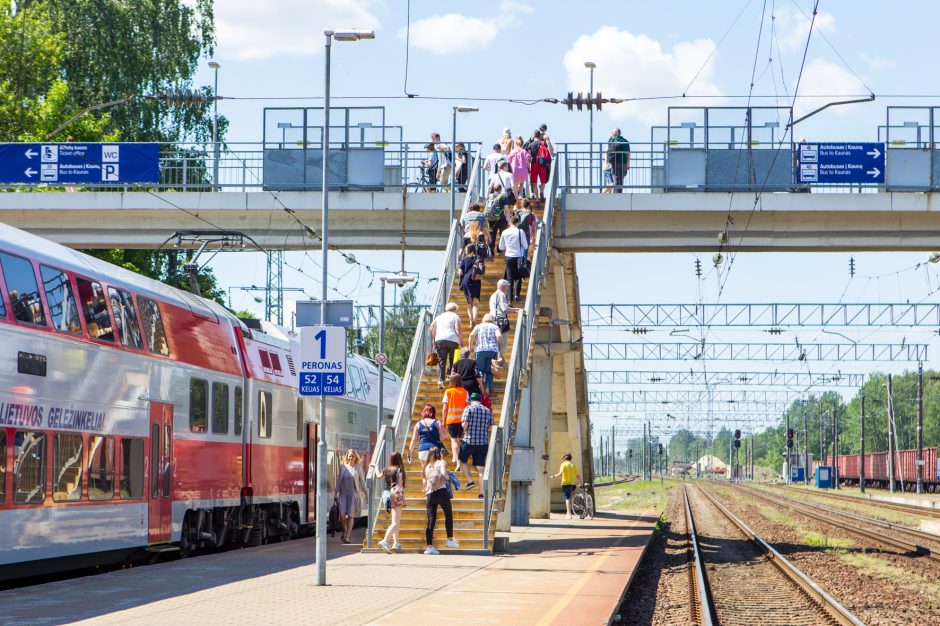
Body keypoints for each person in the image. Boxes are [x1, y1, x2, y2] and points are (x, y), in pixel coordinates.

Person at [423, 447, 459, 554]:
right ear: (439, 454)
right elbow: (443, 473)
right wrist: (449, 478)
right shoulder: (441, 462)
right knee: (448, 515)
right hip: (442, 492)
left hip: (430, 494)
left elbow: (426, 481)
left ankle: (429, 547)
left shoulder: (427, 466)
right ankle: (450, 540)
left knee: (431, 520)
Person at [459, 392, 493, 497]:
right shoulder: (488, 411)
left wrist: (462, 433)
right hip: (482, 443)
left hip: (468, 441)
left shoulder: (468, 409)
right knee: (481, 469)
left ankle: (470, 480)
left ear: (471, 400)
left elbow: (464, 424)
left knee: (462, 460)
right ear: (480, 400)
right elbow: (491, 427)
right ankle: (481, 492)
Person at [378, 451, 407, 553]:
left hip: (386, 495)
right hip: (395, 496)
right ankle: (385, 540)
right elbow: (399, 485)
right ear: (399, 459)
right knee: (395, 521)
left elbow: (378, 476)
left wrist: (375, 467)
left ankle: (396, 542)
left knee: (396, 521)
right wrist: (403, 497)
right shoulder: (399, 470)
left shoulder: (386, 469)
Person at [336, 450, 366, 544]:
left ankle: (348, 536)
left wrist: (366, 492)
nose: (351, 458)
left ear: (355, 457)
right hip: (343, 493)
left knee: (351, 515)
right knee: (342, 515)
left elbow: (362, 481)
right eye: (349, 456)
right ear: (347, 457)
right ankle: (344, 530)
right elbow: (338, 481)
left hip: (353, 494)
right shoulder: (342, 467)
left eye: (353, 456)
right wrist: (335, 493)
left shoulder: (358, 468)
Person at [469, 314, 503, 395]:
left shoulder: (478, 326)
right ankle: (489, 388)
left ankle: (480, 388)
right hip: (492, 350)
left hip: (480, 349)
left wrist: (470, 346)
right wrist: (499, 347)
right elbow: (499, 336)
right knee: (490, 370)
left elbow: (471, 335)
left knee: (480, 370)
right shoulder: (495, 326)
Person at [498, 214, 529, 304]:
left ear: (510, 222)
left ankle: (509, 299)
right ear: (518, 222)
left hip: (508, 257)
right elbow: (525, 246)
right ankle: (517, 295)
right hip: (518, 256)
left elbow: (501, 247)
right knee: (518, 277)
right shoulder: (520, 232)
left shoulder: (504, 232)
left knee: (510, 278)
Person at [430, 302, 461, 387]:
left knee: (441, 360)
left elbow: (431, 327)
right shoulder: (455, 316)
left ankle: (440, 380)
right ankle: (450, 377)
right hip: (453, 340)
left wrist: (434, 338)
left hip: (440, 339)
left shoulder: (439, 317)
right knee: (453, 360)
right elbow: (457, 329)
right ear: (455, 309)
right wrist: (461, 339)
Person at [442, 373, 469, 470]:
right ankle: (456, 457)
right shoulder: (465, 392)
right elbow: (467, 407)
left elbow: (445, 408)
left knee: (454, 441)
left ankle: (458, 462)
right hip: (462, 420)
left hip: (451, 419)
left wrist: (443, 421)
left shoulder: (448, 392)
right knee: (459, 440)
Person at [408, 404, 446, 470]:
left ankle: (425, 480)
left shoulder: (418, 424)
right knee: (435, 471)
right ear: (434, 413)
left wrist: (410, 451)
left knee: (425, 471)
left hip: (423, 450)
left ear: (424, 412)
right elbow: (443, 437)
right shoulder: (437, 422)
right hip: (435, 449)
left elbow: (414, 439)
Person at [552, 452, 581, 519]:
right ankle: (570, 511)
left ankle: (569, 514)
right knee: (569, 498)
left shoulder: (563, 464)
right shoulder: (572, 465)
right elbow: (577, 475)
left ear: (564, 458)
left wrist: (553, 476)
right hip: (571, 484)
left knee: (567, 499)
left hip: (565, 484)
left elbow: (560, 473)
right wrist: (580, 483)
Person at [459, 244, 482, 325]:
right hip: (476, 280)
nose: (465, 251)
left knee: (469, 302)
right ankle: (474, 320)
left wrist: (460, 281)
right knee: (475, 303)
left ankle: (470, 320)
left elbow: (460, 272)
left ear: (468, 250)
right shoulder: (478, 259)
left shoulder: (464, 259)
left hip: (466, 281)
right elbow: (482, 270)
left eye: (465, 250)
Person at [607, 128, 631, 193]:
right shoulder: (625, 141)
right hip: (624, 163)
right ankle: (620, 191)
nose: (611, 134)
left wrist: (611, 137)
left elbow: (609, 147)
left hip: (615, 162)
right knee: (621, 178)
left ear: (615, 133)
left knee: (616, 178)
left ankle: (616, 193)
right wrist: (628, 163)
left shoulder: (613, 140)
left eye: (612, 133)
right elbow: (629, 153)